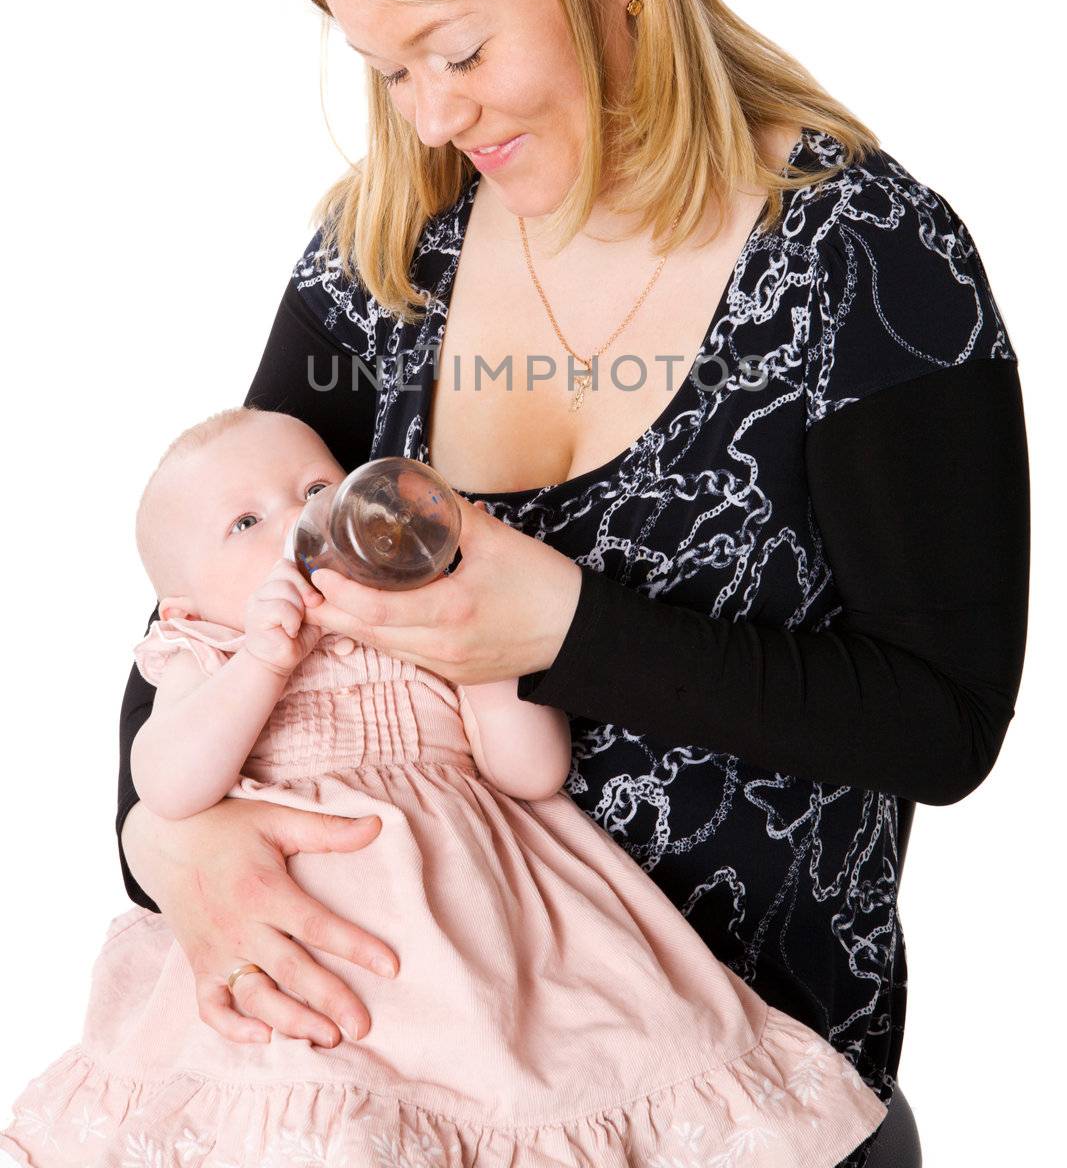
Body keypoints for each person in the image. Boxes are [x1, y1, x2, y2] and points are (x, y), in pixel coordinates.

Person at [103, 0, 1023, 1168]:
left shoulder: (863, 265)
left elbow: (940, 721)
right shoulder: (382, 255)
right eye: (387, 68)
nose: (433, 114)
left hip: (741, 1098)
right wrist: (170, 844)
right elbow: (201, 595)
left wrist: (560, 626)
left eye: (458, 49)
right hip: (397, 1099)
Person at [0, 405, 892, 1166]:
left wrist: (485, 655)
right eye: (245, 525)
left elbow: (530, 771)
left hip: (483, 931)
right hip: (313, 948)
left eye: (317, 492)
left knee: (532, 1082)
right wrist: (263, 662)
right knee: (315, 1092)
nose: (298, 526)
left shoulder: (415, 621)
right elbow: (167, 781)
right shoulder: (209, 654)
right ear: (183, 607)